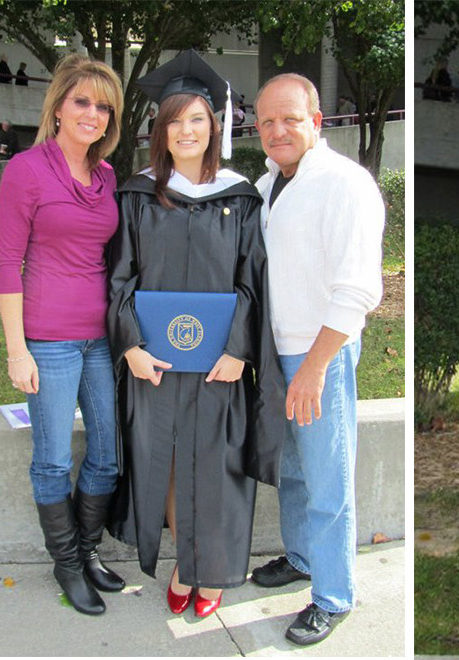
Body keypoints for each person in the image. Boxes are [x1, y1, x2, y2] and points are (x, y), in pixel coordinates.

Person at [104, 50, 290, 622]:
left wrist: (238, 350)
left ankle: (198, 570)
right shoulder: (138, 194)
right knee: (163, 460)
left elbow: (251, 282)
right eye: (174, 121)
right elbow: (119, 277)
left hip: (217, 367)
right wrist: (130, 344)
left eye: (197, 119)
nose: (186, 131)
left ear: (215, 126)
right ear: (160, 130)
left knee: (211, 464)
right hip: (153, 364)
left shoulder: (240, 199)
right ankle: (184, 561)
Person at [248, 72, 384, 646]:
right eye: (267, 122)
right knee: (295, 471)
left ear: (316, 121)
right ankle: (302, 558)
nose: (278, 131)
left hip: (317, 351)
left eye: (290, 119)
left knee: (328, 476)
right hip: (274, 350)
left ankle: (333, 594)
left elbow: (357, 289)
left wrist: (314, 366)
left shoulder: (344, 183)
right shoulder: (266, 185)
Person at [0, 54, 128, 617]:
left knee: (107, 454)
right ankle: (67, 564)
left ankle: (88, 551)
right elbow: (5, 265)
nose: (93, 114)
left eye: (104, 107)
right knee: (52, 460)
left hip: (99, 338)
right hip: (46, 340)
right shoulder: (25, 170)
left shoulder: (107, 177)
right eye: (82, 102)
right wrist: (16, 349)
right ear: (58, 107)